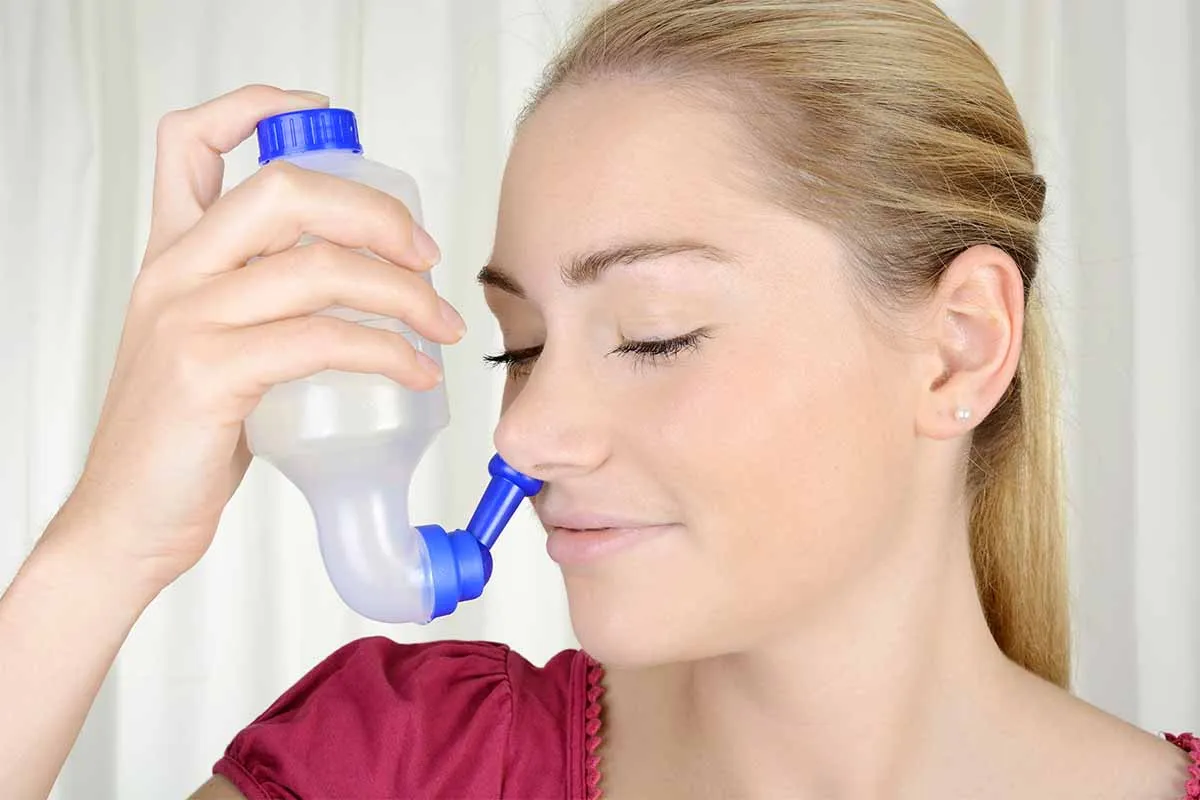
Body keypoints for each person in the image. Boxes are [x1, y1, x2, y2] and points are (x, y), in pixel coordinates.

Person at [1, 1, 1196, 798]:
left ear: (959, 348)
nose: (523, 433)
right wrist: (107, 545)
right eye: (518, 345)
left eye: (650, 335)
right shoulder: (400, 762)